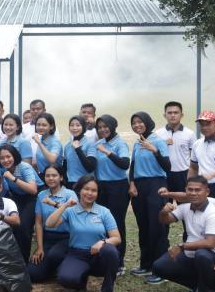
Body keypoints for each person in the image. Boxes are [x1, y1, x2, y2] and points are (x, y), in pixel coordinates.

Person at [149, 175, 215, 292]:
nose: (193, 193)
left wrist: (182, 246)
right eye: (190, 189)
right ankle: (199, 285)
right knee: (159, 266)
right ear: (186, 190)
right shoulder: (186, 207)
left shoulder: (213, 213)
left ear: (207, 192)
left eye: (198, 190)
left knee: (202, 254)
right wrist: (163, 212)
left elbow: (210, 243)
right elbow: (164, 220)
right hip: (192, 254)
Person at [44, 175, 122, 292]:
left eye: (94, 190)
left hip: (98, 255)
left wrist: (102, 242)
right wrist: (65, 206)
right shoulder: (71, 211)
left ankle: (107, 291)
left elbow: (117, 238)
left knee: (110, 251)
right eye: (86, 189)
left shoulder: (104, 212)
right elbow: (49, 223)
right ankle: (81, 279)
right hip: (77, 254)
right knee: (66, 279)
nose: (90, 193)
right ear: (79, 190)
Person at [79, 114, 132, 272]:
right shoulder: (98, 143)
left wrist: (107, 152)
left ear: (112, 126)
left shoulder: (119, 143)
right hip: (102, 187)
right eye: (99, 127)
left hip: (118, 187)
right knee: (101, 222)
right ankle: (103, 257)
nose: (102, 130)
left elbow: (124, 164)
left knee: (116, 223)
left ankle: (119, 261)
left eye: (105, 126)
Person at [128, 111, 172, 278]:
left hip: (156, 185)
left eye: (140, 122)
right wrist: (131, 184)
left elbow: (167, 166)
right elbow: (133, 166)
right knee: (143, 226)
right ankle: (145, 264)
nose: (137, 125)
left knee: (158, 226)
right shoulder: (137, 143)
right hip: (139, 187)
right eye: (134, 122)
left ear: (147, 122)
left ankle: (160, 268)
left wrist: (155, 151)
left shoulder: (158, 141)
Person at [27, 164, 74, 283]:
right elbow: (38, 222)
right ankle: (50, 269)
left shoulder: (70, 194)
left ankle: (62, 266)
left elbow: (73, 215)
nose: (51, 178)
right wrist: (40, 247)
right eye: (48, 176)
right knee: (33, 274)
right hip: (48, 237)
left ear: (61, 177)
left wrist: (53, 203)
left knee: (55, 255)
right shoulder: (41, 195)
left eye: (54, 175)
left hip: (66, 238)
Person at [0, 145, 39, 255]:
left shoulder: (24, 167)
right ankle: (14, 256)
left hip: (33, 196)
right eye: (2, 158)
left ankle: (24, 259)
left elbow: (33, 190)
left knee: (23, 226)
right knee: (12, 224)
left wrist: (13, 178)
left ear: (14, 156)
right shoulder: (2, 169)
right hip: (17, 196)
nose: (5, 160)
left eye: (8, 156)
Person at [157, 101, 195, 194]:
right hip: (163, 174)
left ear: (181, 115)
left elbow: (194, 156)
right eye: (169, 113)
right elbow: (153, 153)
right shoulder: (157, 134)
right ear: (164, 115)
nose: (173, 115)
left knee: (185, 204)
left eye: (176, 112)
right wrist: (163, 143)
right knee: (165, 205)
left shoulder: (190, 133)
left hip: (183, 173)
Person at [29, 112, 62, 188]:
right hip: (43, 175)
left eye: (44, 125)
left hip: (54, 178)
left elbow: (52, 159)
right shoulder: (41, 138)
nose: (40, 127)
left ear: (51, 126)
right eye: (38, 124)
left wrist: (39, 143)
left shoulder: (55, 141)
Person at [61, 115, 91, 188]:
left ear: (83, 127)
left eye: (78, 125)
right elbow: (65, 166)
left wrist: (78, 149)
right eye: (72, 125)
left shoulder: (90, 143)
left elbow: (90, 167)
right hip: (70, 183)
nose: (74, 128)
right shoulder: (67, 145)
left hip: (85, 183)